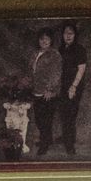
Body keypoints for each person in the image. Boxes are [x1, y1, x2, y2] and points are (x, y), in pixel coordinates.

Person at [58, 22, 87, 157]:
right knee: (64, 114)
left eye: (71, 33)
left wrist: (73, 86)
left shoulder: (80, 49)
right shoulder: (60, 49)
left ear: (75, 35)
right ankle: (67, 137)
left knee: (70, 115)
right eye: (65, 33)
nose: (68, 36)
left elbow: (81, 70)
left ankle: (70, 146)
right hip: (61, 86)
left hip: (74, 85)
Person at [31, 28, 61, 156]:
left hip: (48, 92)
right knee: (39, 119)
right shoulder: (35, 53)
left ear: (51, 41)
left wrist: (50, 89)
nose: (44, 41)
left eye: (47, 39)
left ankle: (44, 145)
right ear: (39, 40)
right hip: (36, 91)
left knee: (45, 120)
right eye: (42, 39)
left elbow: (56, 74)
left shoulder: (54, 54)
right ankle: (47, 139)